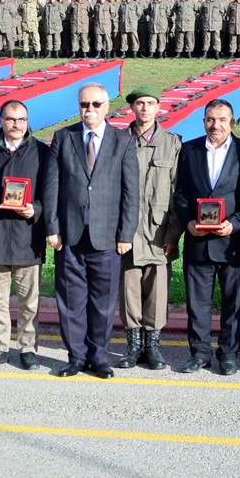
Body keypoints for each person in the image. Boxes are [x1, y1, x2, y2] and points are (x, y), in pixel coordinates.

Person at [43, 82, 140, 379]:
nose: (90, 110)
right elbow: (51, 187)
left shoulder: (121, 141)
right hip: (70, 235)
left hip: (107, 236)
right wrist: (52, 227)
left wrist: (126, 234)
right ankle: (75, 357)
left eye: (96, 104)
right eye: (85, 104)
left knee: (103, 301)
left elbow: (131, 192)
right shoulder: (64, 137)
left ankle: (98, 357)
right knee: (71, 301)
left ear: (107, 106)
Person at [174, 99, 240, 375]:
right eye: (210, 119)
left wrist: (236, 223)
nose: (215, 125)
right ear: (203, 120)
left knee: (234, 302)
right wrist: (188, 221)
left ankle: (229, 353)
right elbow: (180, 193)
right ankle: (199, 353)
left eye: (221, 119)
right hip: (198, 240)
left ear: (232, 121)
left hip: (233, 242)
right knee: (197, 302)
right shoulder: (189, 150)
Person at [0, 100, 49, 371]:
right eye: (10, 119)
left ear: (28, 122)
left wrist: (36, 210)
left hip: (27, 237)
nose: (16, 124)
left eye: (21, 120)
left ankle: (27, 349)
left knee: (29, 302)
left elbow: (49, 193)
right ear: (0, 121)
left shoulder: (41, 152)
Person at [114, 87, 182, 371]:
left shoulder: (171, 143)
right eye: (139, 103)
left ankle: (152, 346)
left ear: (158, 108)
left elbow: (179, 192)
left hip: (158, 232)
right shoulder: (118, 141)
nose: (144, 108)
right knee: (129, 289)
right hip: (128, 232)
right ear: (132, 107)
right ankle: (132, 346)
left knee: (156, 291)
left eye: (150, 103)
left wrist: (172, 234)